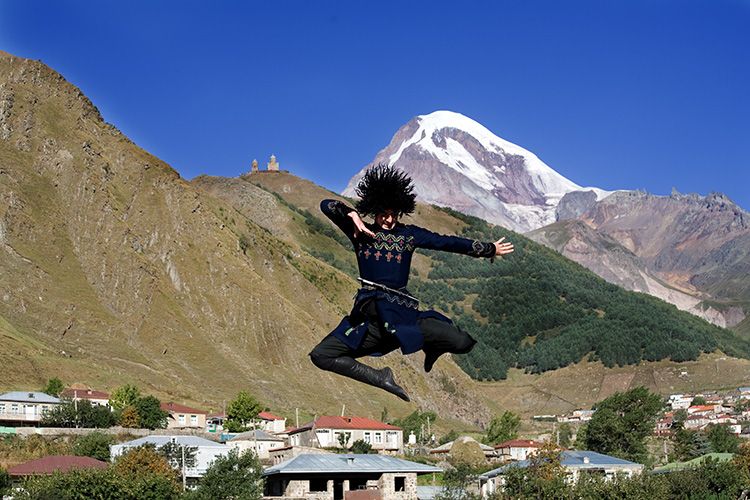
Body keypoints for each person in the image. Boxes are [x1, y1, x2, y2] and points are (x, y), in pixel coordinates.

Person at [309, 164, 514, 401]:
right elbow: (326, 205)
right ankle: (381, 378)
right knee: (321, 355)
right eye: (383, 214)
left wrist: (489, 249)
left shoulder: (408, 235)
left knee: (460, 341)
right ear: (373, 211)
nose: (388, 220)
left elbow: (447, 242)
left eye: (393, 214)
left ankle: (434, 346)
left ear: (400, 212)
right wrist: (350, 214)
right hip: (369, 320)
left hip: (398, 313)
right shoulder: (360, 232)